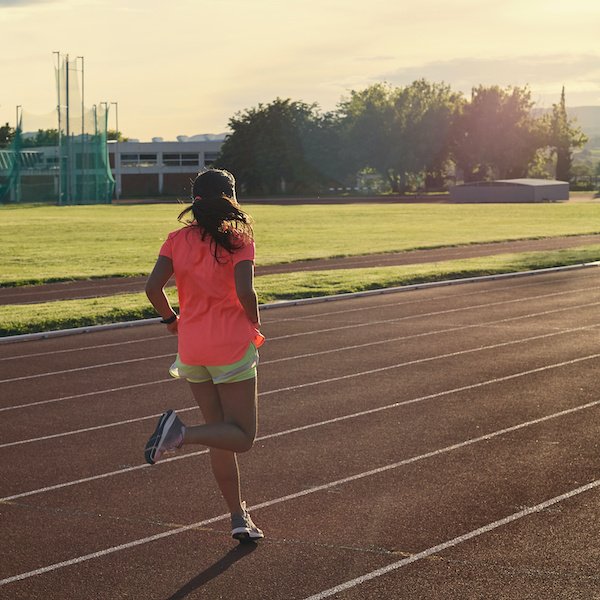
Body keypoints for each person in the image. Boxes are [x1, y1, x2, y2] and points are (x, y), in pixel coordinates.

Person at [144, 168, 265, 543]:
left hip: (192, 348)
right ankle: (181, 433)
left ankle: (237, 516)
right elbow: (245, 291)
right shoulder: (238, 239)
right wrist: (256, 323)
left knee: (222, 435)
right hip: (229, 346)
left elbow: (152, 288)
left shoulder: (176, 239)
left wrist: (171, 320)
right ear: (230, 198)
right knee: (242, 437)